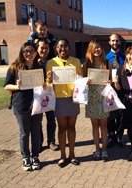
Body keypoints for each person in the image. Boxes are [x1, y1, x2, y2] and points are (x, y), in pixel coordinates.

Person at [4, 42, 45, 171]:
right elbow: (6, 86)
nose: (29, 53)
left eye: (32, 51)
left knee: (36, 131)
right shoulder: (14, 68)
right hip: (21, 105)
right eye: (26, 51)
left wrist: (44, 86)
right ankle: (26, 157)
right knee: (24, 133)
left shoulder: (39, 67)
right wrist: (17, 86)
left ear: (36, 53)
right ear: (22, 52)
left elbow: (42, 85)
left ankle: (36, 156)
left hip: (36, 104)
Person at [46, 38, 82, 167]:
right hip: (59, 99)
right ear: (56, 48)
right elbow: (48, 84)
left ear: (69, 47)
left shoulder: (76, 61)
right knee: (62, 128)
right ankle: (63, 155)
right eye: (60, 46)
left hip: (73, 98)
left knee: (71, 127)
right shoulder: (51, 63)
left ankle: (72, 154)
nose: (63, 49)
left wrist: (79, 78)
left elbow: (81, 81)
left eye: (65, 46)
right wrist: (49, 79)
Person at [83, 40, 112, 160]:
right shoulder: (86, 64)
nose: (97, 50)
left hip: (103, 98)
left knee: (104, 126)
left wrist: (110, 82)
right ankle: (97, 149)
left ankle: (104, 149)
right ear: (90, 50)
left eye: (98, 48)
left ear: (102, 49)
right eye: (94, 48)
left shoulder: (107, 63)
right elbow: (82, 82)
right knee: (95, 126)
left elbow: (111, 80)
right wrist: (85, 81)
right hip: (92, 99)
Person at [36, 39, 58, 152]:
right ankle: (39, 142)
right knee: (38, 120)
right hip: (37, 95)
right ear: (37, 49)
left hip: (49, 93)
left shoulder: (53, 61)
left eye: (46, 48)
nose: (44, 50)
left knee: (51, 119)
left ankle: (51, 142)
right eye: (42, 48)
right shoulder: (33, 61)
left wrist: (50, 79)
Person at [106, 33, 125, 148]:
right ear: (109, 42)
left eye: (117, 41)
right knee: (110, 115)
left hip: (122, 90)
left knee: (121, 115)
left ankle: (119, 136)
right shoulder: (105, 58)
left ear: (120, 42)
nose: (115, 43)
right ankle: (111, 136)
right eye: (113, 41)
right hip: (109, 90)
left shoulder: (124, 57)